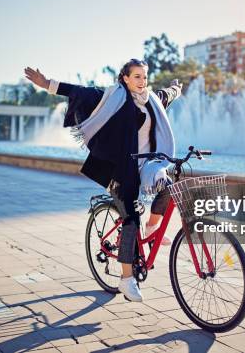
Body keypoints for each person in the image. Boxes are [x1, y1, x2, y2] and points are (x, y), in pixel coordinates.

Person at [24, 59, 182, 302]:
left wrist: (176, 89)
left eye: (145, 77)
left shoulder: (150, 100)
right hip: (119, 168)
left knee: (168, 186)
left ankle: (152, 226)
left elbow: (166, 95)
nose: (142, 81)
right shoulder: (113, 97)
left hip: (145, 165)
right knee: (130, 219)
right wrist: (46, 83)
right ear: (125, 78)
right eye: (137, 77)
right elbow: (80, 92)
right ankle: (126, 280)